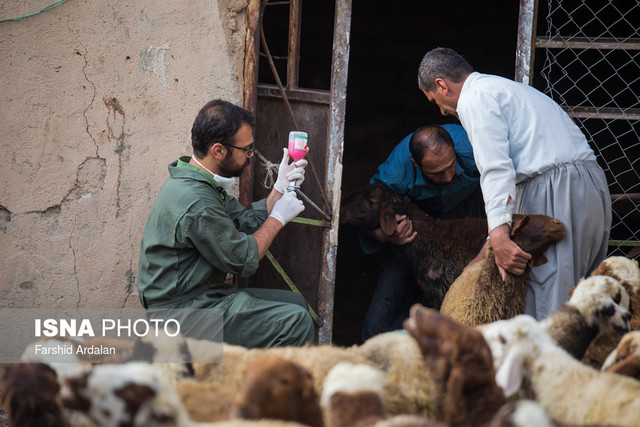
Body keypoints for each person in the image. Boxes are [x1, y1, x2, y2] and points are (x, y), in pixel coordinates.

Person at [417, 47, 612, 320]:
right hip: (589, 187)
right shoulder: (506, 89)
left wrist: (498, 237)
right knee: (582, 297)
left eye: (434, 100)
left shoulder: (475, 98)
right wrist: (488, 245)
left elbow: (496, 168)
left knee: (550, 304)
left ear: (441, 85)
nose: (441, 110)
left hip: (554, 190)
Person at [137, 99, 315, 348]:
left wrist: (279, 189)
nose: (250, 156)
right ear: (218, 151)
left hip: (204, 297)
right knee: (295, 322)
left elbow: (243, 221)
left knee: (296, 304)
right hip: (182, 314)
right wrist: (277, 219)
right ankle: (270, 386)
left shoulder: (199, 181)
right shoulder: (197, 200)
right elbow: (241, 259)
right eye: (247, 150)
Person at [360, 123, 484, 341]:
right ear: (415, 164)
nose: (447, 177)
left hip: (466, 208)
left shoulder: (476, 146)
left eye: (451, 166)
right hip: (417, 222)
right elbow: (367, 209)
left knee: (467, 288)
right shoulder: (394, 175)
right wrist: (383, 234)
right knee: (387, 304)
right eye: (436, 173)